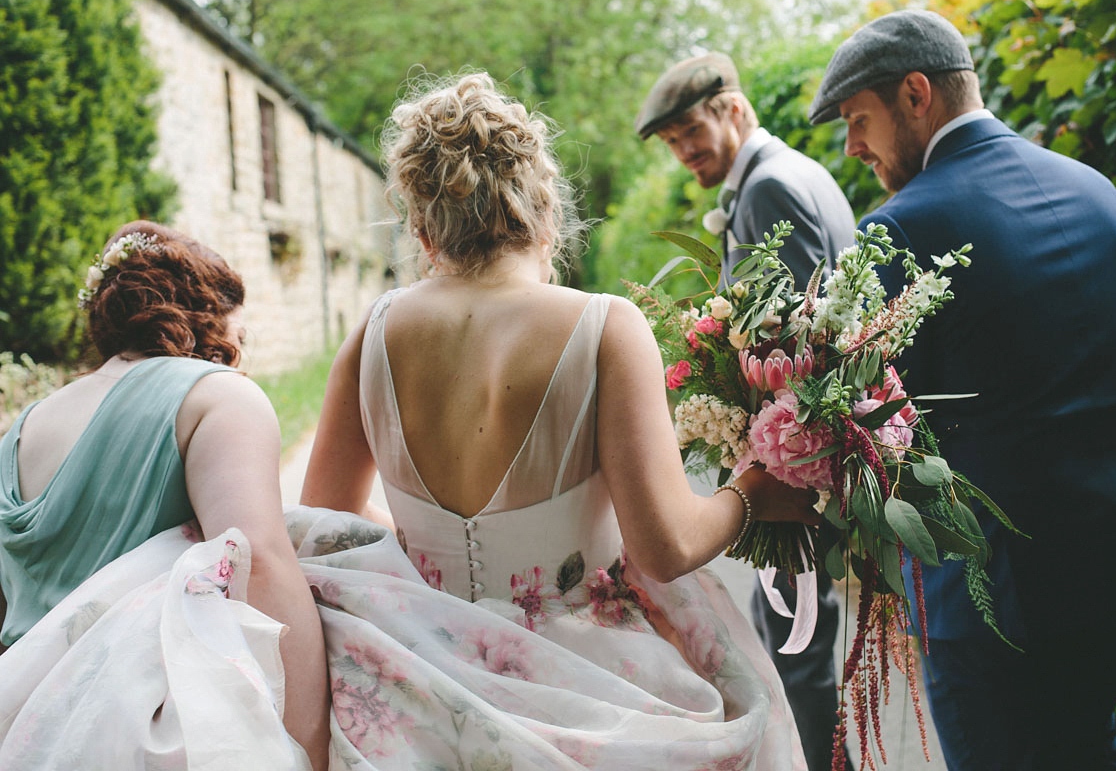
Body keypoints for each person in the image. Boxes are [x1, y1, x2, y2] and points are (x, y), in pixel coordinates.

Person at [298, 72, 817, 768]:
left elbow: (327, 521)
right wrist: (753, 492)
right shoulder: (604, 326)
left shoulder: (373, 331)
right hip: (585, 684)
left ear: (422, 231)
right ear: (545, 213)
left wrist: (431, 548)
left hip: (429, 676)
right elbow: (664, 546)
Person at [808, 9, 1116, 769]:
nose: (853, 147)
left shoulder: (902, 229)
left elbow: (874, 423)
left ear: (916, 94)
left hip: (1000, 592)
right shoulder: (1095, 190)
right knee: (1086, 746)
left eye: (859, 120)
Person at [0, 221, 330, 770]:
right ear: (209, 317)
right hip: (143, 734)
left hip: (19, 733)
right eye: (239, 337)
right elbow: (260, 565)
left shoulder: (21, 428)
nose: (239, 355)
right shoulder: (215, 397)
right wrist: (310, 745)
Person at [635, 51, 856, 771]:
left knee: (796, 650)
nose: (685, 152)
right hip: (797, 458)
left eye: (690, 132)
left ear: (734, 108)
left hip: (793, 471)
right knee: (796, 642)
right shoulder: (792, 174)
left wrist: (764, 460)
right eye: (671, 144)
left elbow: (785, 349)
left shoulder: (768, 190)